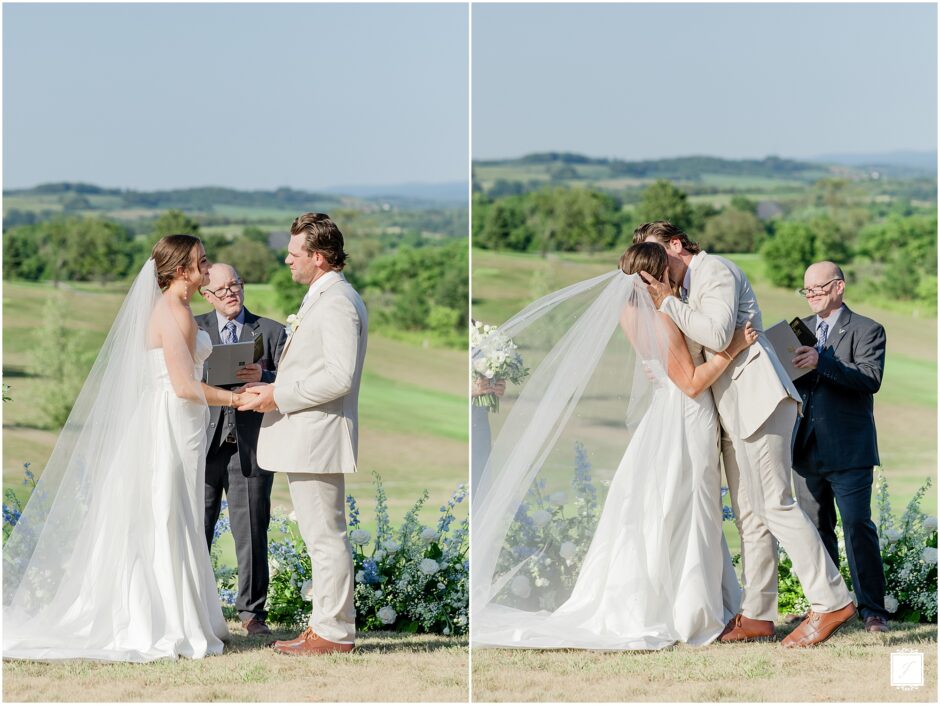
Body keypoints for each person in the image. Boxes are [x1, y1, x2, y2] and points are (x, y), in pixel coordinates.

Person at [472, 243, 757, 650]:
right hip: (685, 415)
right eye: (669, 272)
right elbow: (692, 382)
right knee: (689, 509)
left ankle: (705, 601)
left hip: (668, 413)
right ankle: (688, 610)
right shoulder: (660, 315)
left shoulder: (630, 310)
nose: (677, 277)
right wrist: (734, 348)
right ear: (654, 277)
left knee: (672, 508)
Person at [3, 235, 248, 661]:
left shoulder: (181, 307)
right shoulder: (173, 311)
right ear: (179, 271)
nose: (208, 269)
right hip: (168, 425)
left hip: (181, 424)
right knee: (165, 513)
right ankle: (161, 620)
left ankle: (183, 613)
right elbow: (185, 386)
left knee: (178, 513)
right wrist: (237, 398)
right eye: (201, 263)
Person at [637, 221, 855, 648]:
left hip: (760, 402)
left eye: (658, 256)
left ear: (676, 245)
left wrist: (666, 304)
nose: (656, 270)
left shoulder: (715, 270)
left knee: (775, 504)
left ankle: (830, 601)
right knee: (750, 514)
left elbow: (719, 334)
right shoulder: (684, 289)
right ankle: (757, 614)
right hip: (733, 411)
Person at [238, 213, 367, 656]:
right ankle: (327, 628)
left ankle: (332, 633)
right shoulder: (324, 297)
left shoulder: (337, 303)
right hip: (309, 437)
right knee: (320, 536)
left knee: (325, 538)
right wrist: (271, 377)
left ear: (318, 256)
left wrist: (278, 396)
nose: (286, 260)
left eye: (294, 253)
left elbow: (338, 377)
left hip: (316, 438)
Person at [791, 261, 889, 633]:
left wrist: (822, 361)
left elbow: (869, 379)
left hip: (849, 450)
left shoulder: (868, 330)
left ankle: (872, 611)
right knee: (815, 532)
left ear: (839, 287)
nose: (811, 295)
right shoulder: (799, 330)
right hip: (805, 449)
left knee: (856, 527)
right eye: (807, 290)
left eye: (817, 288)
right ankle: (827, 606)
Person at [196, 263, 287, 636]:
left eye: (236, 284)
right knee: (195, 529)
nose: (231, 293)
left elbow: (294, 381)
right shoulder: (194, 329)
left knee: (251, 531)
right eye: (222, 289)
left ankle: (252, 615)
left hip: (250, 447)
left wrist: (264, 377)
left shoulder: (271, 331)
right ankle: (197, 609)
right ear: (207, 295)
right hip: (201, 447)